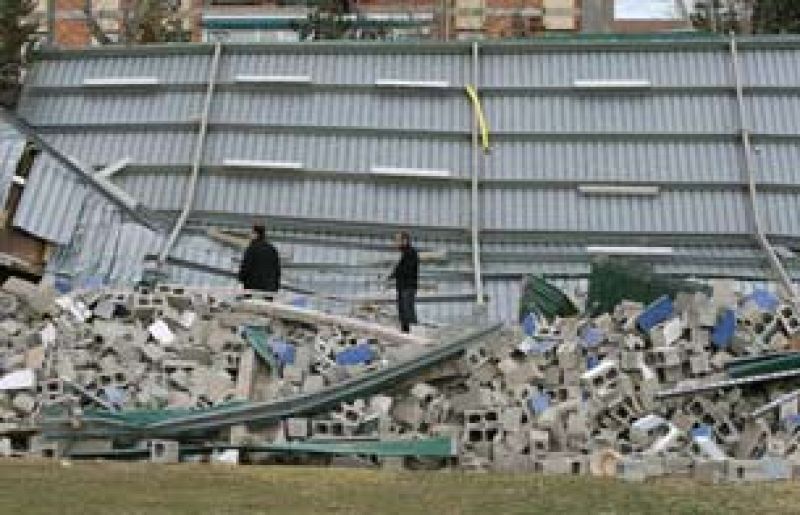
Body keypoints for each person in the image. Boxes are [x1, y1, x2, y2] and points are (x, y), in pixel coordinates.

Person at [389, 231, 419, 333]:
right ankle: (405, 334)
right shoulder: (403, 254)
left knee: (408, 311)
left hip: (408, 287)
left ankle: (414, 334)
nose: (395, 243)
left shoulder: (411, 253)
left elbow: (407, 270)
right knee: (402, 312)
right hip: (402, 287)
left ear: (404, 241)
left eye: (397, 240)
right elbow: (400, 269)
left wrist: (396, 272)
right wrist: (392, 274)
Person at [238, 223, 281, 292]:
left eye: (251, 233)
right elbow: (277, 270)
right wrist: (275, 286)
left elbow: (246, 267)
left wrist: (241, 278)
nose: (249, 235)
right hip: (269, 289)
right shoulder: (273, 250)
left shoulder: (251, 249)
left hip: (253, 287)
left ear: (256, 234)